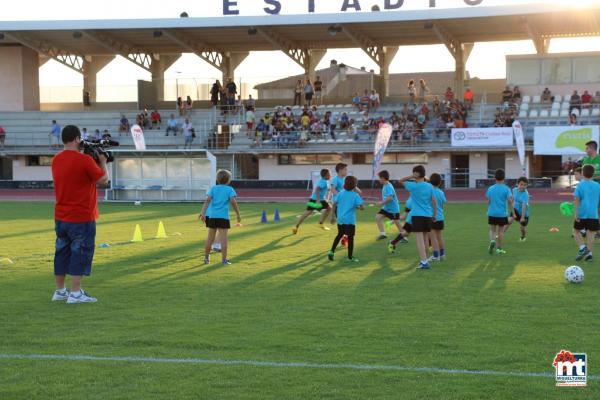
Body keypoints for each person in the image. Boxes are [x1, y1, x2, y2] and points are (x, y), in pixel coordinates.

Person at [51, 125, 109, 304]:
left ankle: (60, 291)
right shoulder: (84, 160)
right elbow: (103, 180)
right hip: (82, 215)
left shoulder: (56, 159)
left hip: (61, 215)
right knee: (80, 252)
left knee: (61, 252)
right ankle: (75, 293)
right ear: (77, 139)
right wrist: (103, 162)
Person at [199, 169, 241, 266]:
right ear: (229, 180)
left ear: (217, 179)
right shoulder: (230, 189)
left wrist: (202, 213)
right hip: (223, 218)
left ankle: (206, 258)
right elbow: (233, 202)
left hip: (213, 217)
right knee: (223, 239)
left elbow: (207, 201)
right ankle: (224, 260)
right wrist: (238, 214)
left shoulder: (213, 188)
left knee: (210, 238)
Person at [399, 165, 437, 270]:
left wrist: (411, 176)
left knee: (420, 239)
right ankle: (425, 259)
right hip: (428, 215)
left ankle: (424, 262)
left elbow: (400, 180)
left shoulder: (413, 185)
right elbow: (434, 202)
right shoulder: (429, 186)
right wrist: (434, 215)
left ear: (416, 174)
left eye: (414, 172)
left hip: (417, 215)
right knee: (425, 238)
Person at [328, 176, 364, 263]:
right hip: (350, 221)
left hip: (340, 219)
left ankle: (331, 251)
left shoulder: (340, 193)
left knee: (339, 234)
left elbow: (334, 204)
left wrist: (332, 216)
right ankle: (350, 257)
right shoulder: (355, 195)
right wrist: (358, 207)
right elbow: (362, 207)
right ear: (355, 185)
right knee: (350, 238)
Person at [573, 165, 600, 262]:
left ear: (583, 173)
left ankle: (582, 248)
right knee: (590, 235)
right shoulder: (597, 185)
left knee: (576, 231)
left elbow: (577, 199)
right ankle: (589, 255)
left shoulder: (580, 185)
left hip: (582, 213)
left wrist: (576, 213)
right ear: (593, 174)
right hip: (593, 214)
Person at [292, 168, 332, 234]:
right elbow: (317, 189)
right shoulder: (323, 182)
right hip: (318, 200)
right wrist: (318, 201)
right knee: (329, 208)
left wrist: (328, 190)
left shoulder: (324, 180)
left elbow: (323, 189)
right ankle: (320, 223)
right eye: (329, 175)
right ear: (325, 176)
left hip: (312, 199)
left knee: (306, 213)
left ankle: (296, 227)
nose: (330, 176)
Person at [486, 169, 513, 255]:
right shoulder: (506, 189)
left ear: (494, 177)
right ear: (504, 178)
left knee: (492, 229)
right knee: (501, 231)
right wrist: (513, 212)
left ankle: (492, 241)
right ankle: (499, 248)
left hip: (492, 213)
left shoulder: (490, 188)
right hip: (502, 214)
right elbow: (510, 201)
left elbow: (489, 201)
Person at [375, 170, 402, 241]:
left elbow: (390, 198)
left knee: (397, 223)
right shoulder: (385, 185)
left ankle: (404, 237)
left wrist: (381, 203)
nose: (379, 179)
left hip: (393, 209)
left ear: (383, 178)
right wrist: (382, 203)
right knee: (378, 217)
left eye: (379, 178)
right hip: (386, 208)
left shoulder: (388, 186)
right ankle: (383, 234)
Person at [505, 177, 530, 242]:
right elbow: (513, 199)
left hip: (524, 213)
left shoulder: (526, 194)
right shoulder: (514, 190)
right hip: (515, 209)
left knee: (522, 228)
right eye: (521, 184)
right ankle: (500, 234)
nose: (523, 186)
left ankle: (523, 236)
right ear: (517, 184)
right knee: (509, 221)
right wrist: (511, 207)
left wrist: (522, 217)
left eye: (525, 185)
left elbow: (524, 206)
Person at [429, 173, 446, 262]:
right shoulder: (441, 192)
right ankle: (442, 254)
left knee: (433, 237)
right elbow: (442, 205)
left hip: (432, 217)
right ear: (440, 183)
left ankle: (435, 256)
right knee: (440, 236)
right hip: (440, 217)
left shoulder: (429, 191)